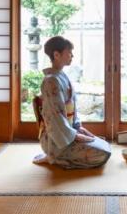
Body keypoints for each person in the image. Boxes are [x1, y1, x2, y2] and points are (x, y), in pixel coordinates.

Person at [33, 36, 111, 169]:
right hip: (56, 139)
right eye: (69, 52)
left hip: (67, 132)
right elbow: (54, 117)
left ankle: (58, 155)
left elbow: (71, 108)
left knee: (105, 145)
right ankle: (53, 156)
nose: (72, 55)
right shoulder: (51, 81)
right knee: (102, 154)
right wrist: (75, 135)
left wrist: (78, 127)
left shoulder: (61, 76)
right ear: (56, 55)